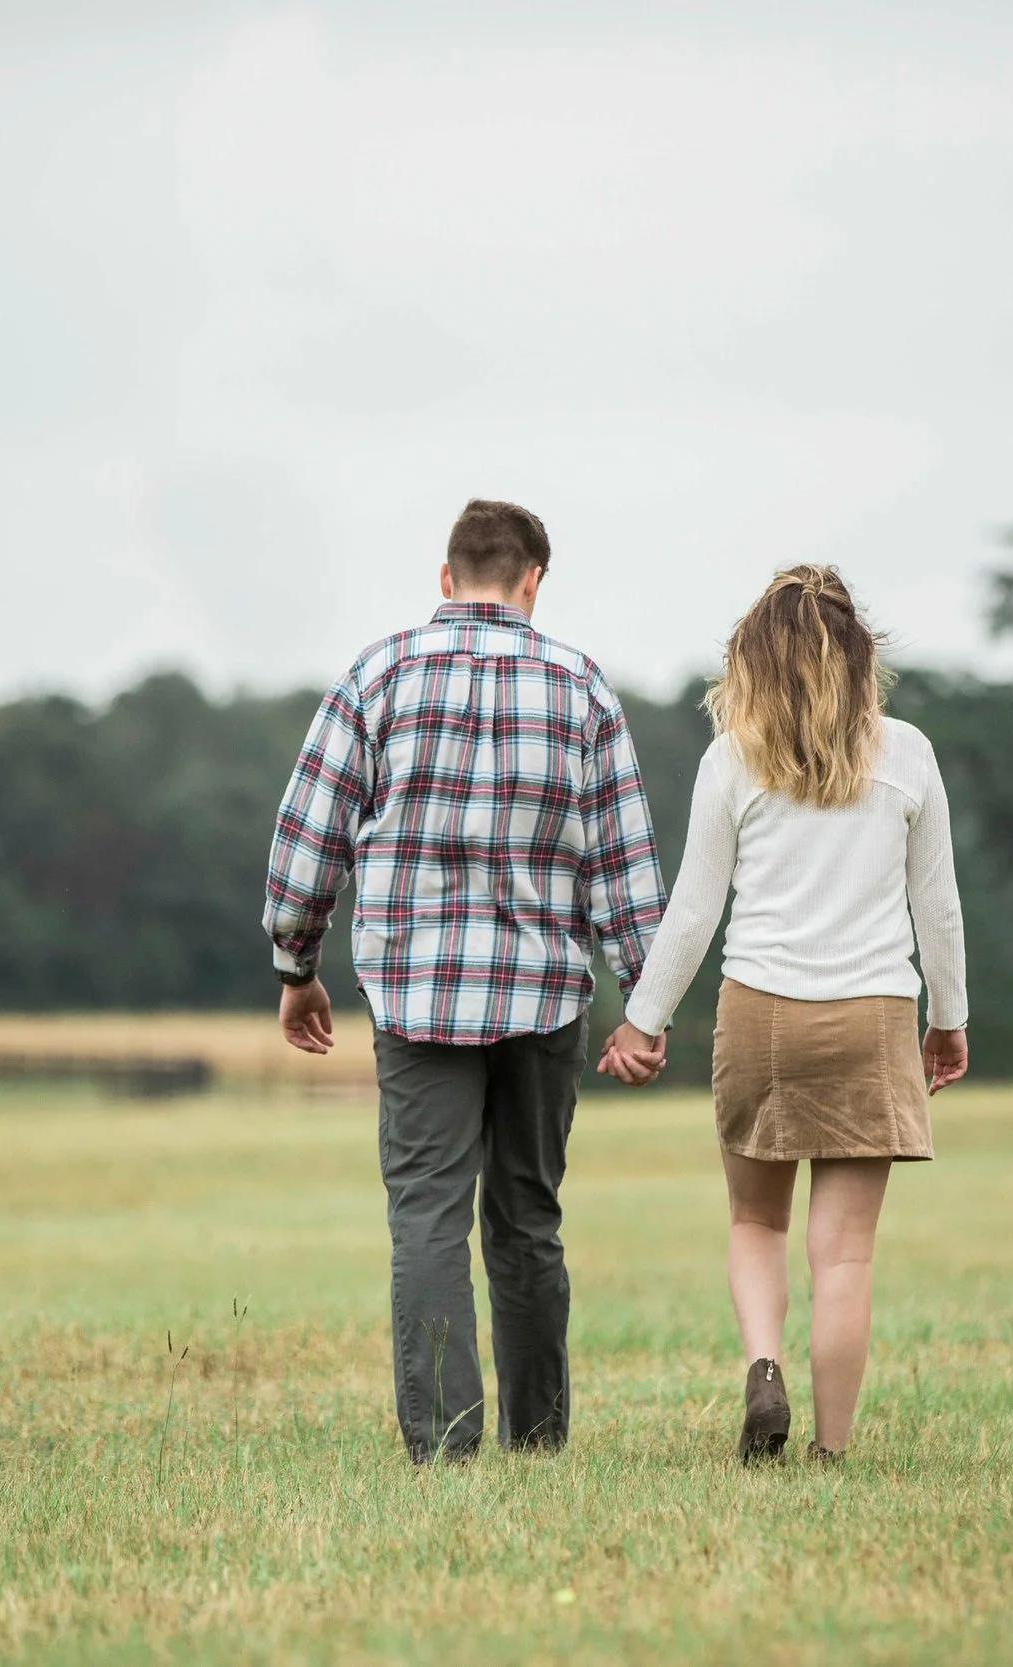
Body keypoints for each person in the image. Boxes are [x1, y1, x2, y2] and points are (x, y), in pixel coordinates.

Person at [264, 498, 669, 1464]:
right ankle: (537, 1442)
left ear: (447, 579)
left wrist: (297, 963)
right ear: (534, 582)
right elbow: (626, 865)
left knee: (428, 1215)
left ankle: (445, 1445)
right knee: (528, 1217)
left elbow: (307, 839)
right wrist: (643, 1003)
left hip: (416, 997)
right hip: (542, 998)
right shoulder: (581, 688)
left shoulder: (378, 675)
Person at [599, 565, 969, 1463]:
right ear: (859, 656)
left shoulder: (732, 758)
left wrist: (643, 1019)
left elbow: (694, 909)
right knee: (843, 1256)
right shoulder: (909, 754)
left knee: (755, 1222)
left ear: (753, 663)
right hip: (874, 1012)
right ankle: (831, 1449)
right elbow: (939, 906)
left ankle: (764, 1365)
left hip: (760, 1011)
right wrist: (949, 1016)